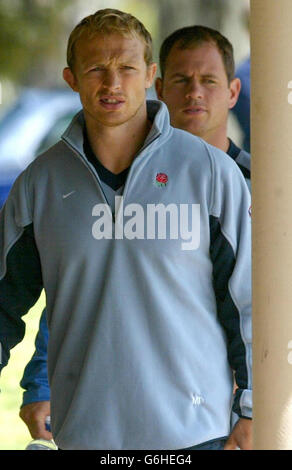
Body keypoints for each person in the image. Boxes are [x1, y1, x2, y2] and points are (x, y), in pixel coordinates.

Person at [0, 10, 252, 450]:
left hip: (196, 434)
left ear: (149, 74)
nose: (112, 83)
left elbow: (246, 302)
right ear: (71, 78)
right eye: (96, 68)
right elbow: (4, 303)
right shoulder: (40, 185)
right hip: (85, 432)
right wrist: (38, 384)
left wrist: (252, 408)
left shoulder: (212, 175)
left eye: (127, 68)